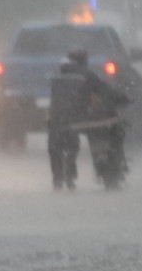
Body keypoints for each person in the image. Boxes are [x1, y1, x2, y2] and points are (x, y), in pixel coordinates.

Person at [47, 50, 130, 191]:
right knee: (105, 131)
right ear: (84, 62)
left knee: (59, 145)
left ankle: (58, 179)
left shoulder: (58, 76)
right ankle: (89, 171)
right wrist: (123, 99)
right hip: (78, 118)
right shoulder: (86, 75)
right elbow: (105, 91)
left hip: (57, 119)